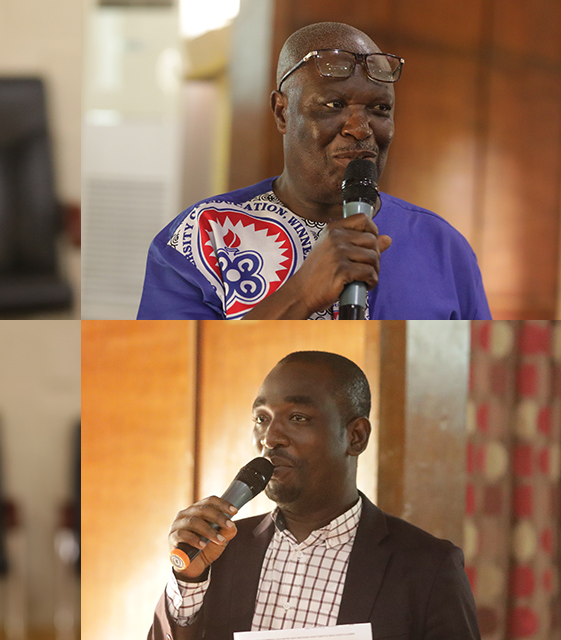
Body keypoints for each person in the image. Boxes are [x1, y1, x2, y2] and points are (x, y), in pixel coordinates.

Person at [138, 22, 491, 320]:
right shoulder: (202, 239)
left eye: (380, 108)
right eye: (334, 105)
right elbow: (164, 373)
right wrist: (300, 295)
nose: (360, 127)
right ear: (282, 113)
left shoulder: (443, 247)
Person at [149, 351, 480, 639]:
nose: (271, 438)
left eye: (297, 418)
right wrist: (189, 581)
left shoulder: (428, 566)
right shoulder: (219, 554)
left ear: (356, 437)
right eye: (261, 419)